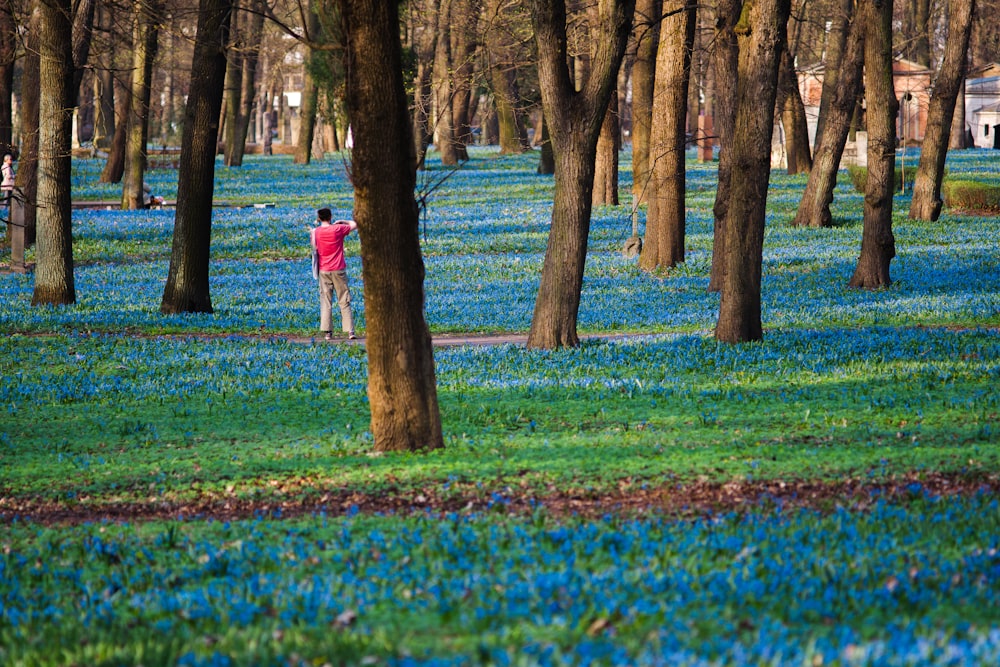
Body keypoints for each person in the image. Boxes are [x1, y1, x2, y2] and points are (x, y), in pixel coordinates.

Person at [310, 207, 358, 341]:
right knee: (344, 299)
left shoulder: (315, 232)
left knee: (326, 300)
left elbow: (314, 248)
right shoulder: (338, 229)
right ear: (330, 217)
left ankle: (328, 332)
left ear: (319, 218)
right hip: (338, 269)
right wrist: (343, 221)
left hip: (323, 270)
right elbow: (355, 224)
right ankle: (350, 331)